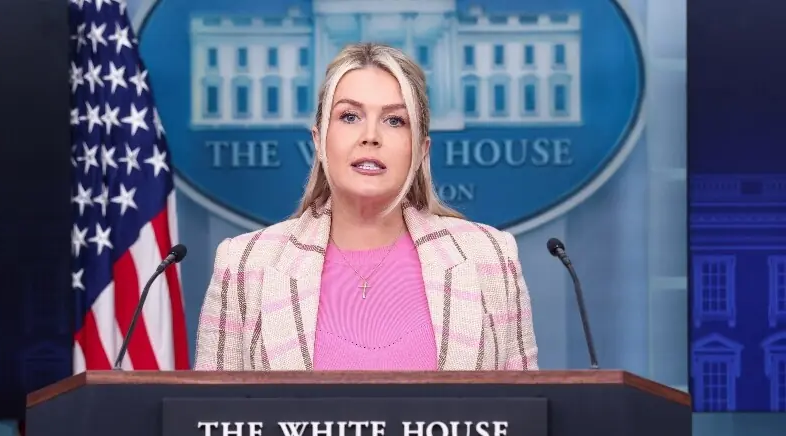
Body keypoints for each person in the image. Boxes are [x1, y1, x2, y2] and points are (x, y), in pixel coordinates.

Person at [193, 43, 538, 372]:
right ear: (318, 139)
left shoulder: (490, 258)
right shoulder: (245, 264)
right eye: (350, 116)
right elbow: (210, 419)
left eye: (394, 121)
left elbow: (528, 417)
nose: (370, 135)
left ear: (421, 149)